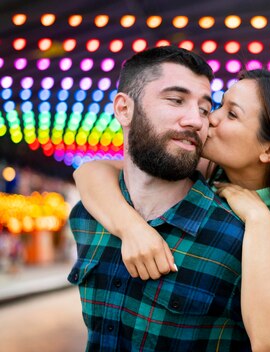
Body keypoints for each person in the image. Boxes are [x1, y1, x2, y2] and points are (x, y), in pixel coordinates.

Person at [74, 68, 270, 351]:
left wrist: (258, 220)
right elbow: (90, 172)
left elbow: (268, 337)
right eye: (219, 105)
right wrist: (133, 229)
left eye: (232, 114)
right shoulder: (212, 169)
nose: (211, 118)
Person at [67, 46, 253, 350]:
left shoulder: (239, 239)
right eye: (176, 100)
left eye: (205, 109)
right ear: (124, 109)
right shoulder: (86, 216)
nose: (196, 120)